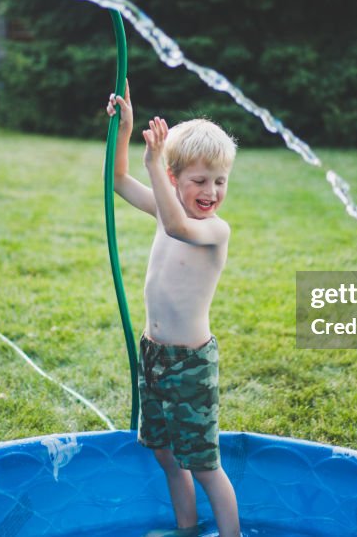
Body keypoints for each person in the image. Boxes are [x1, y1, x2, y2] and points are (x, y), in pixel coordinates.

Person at [106, 82, 240, 537]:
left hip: (190, 364)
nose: (212, 191)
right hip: (155, 356)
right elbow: (119, 182)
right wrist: (125, 131)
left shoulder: (213, 230)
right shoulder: (168, 212)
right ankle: (187, 528)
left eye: (219, 181)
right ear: (177, 179)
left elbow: (180, 226)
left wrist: (155, 168)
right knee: (164, 452)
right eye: (199, 181)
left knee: (203, 464)